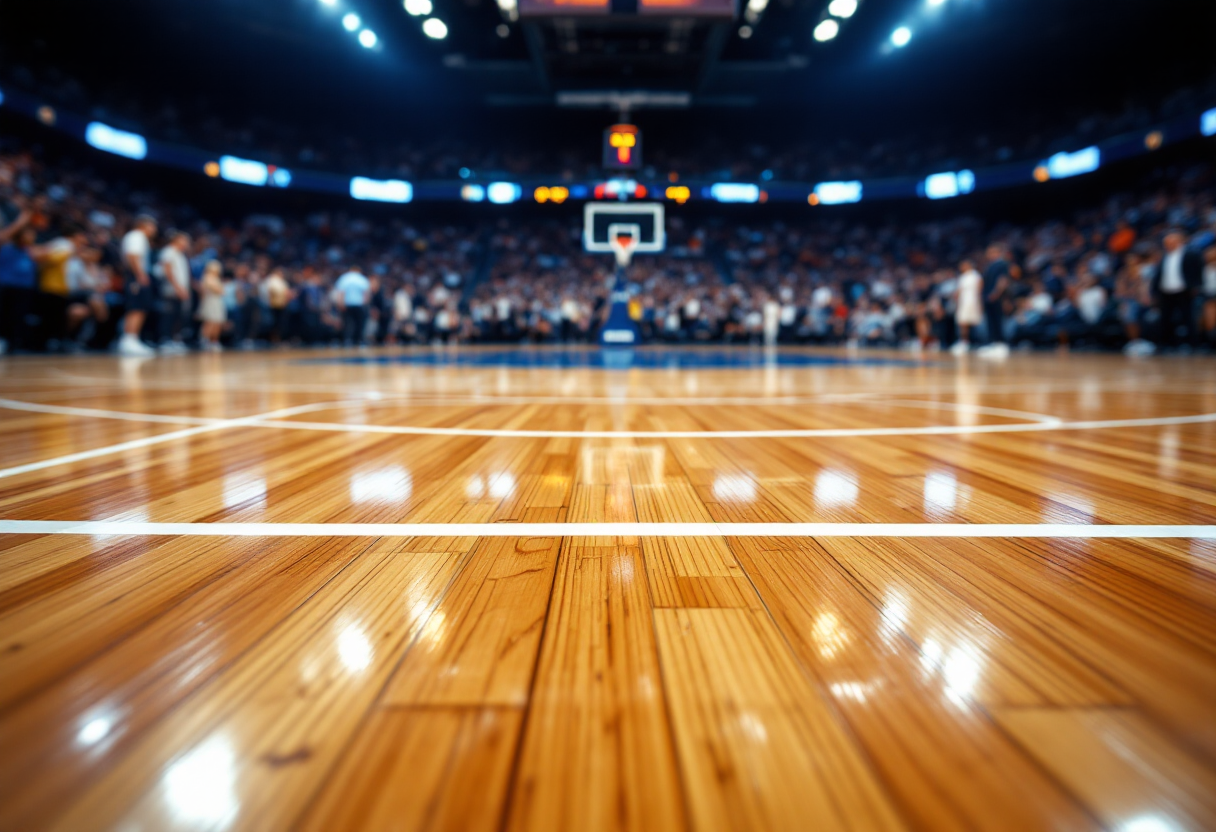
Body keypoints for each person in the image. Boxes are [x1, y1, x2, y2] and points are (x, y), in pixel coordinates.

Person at [1151, 231, 1202, 350]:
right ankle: (1166, 344)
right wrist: (1154, 291)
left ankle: (1193, 345)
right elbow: (1158, 275)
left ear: (1179, 241)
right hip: (1166, 291)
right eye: (1166, 243)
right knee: (1165, 319)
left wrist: (1196, 286)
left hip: (1184, 291)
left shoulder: (1190, 254)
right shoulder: (1164, 256)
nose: (1167, 245)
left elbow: (1198, 271)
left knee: (1188, 318)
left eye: (1170, 242)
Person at [119, 214, 158, 356]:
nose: (154, 229)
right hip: (136, 275)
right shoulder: (136, 236)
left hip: (136, 275)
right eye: (152, 226)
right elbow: (132, 256)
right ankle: (128, 340)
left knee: (140, 307)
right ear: (144, 225)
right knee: (136, 308)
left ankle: (133, 339)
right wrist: (141, 275)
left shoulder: (138, 237)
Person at [157, 230, 192, 353]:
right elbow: (168, 271)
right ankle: (165, 341)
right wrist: (178, 287)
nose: (187, 243)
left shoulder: (180, 254)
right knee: (169, 316)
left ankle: (174, 340)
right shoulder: (168, 251)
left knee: (178, 316)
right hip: (170, 291)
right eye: (184, 240)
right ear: (176, 240)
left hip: (179, 291)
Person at [334, 265, 370, 346]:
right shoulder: (362, 279)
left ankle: (347, 340)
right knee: (359, 324)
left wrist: (340, 304)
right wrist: (365, 305)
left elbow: (340, 293)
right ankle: (358, 340)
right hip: (359, 305)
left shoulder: (344, 278)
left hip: (347, 305)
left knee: (347, 323)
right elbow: (366, 294)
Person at [953, 259, 983, 354]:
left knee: (975, 323)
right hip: (964, 302)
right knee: (963, 323)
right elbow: (959, 291)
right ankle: (964, 343)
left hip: (973, 301)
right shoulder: (963, 277)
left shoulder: (976, 276)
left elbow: (979, 290)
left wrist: (980, 303)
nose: (961, 267)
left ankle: (979, 343)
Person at [197, 260, 227, 351]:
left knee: (218, 322)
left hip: (217, 301)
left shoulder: (216, 278)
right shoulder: (207, 278)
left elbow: (221, 291)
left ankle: (214, 341)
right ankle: (204, 341)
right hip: (210, 301)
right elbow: (219, 290)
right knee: (210, 322)